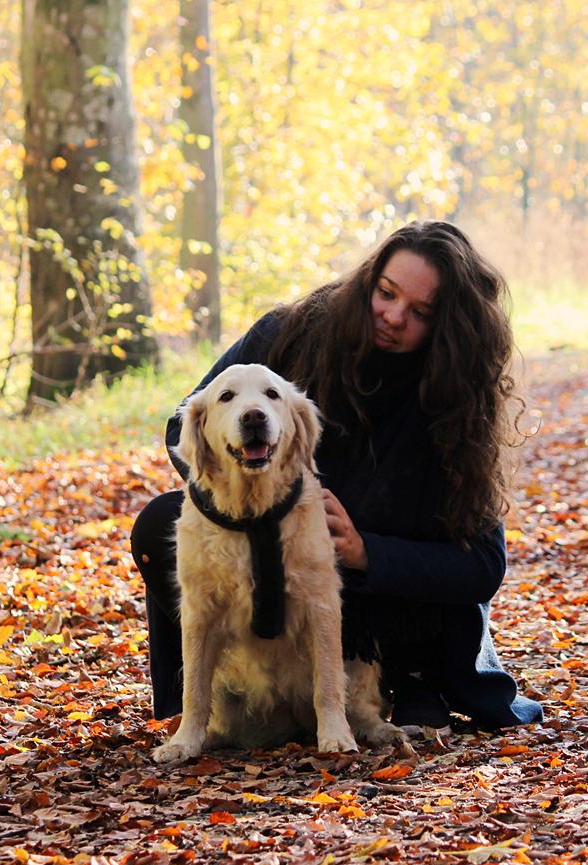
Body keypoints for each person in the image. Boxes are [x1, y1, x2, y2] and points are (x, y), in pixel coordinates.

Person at [130, 220, 543, 730]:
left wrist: (365, 551)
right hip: (270, 542)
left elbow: (483, 564)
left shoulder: (458, 404)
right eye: (385, 293)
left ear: (448, 329)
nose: (393, 317)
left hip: (380, 601)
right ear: (368, 281)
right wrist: (267, 501)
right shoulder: (289, 333)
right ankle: (204, 702)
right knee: (160, 524)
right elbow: (184, 422)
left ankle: (406, 678)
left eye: (420, 313)